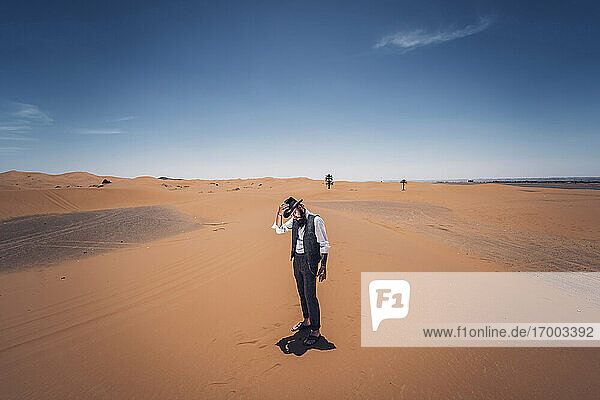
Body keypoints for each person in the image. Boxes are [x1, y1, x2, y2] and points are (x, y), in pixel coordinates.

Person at [272, 197, 330, 346]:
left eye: (295, 212)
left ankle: (316, 330)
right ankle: (307, 320)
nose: (294, 216)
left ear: (301, 207)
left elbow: (324, 244)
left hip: (310, 262)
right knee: (301, 292)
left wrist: (323, 265)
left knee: (310, 296)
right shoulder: (295, 221)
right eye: (291, 214)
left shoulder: (316, 220)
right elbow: (280, 230)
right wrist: (279, 213)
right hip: (297, 261)